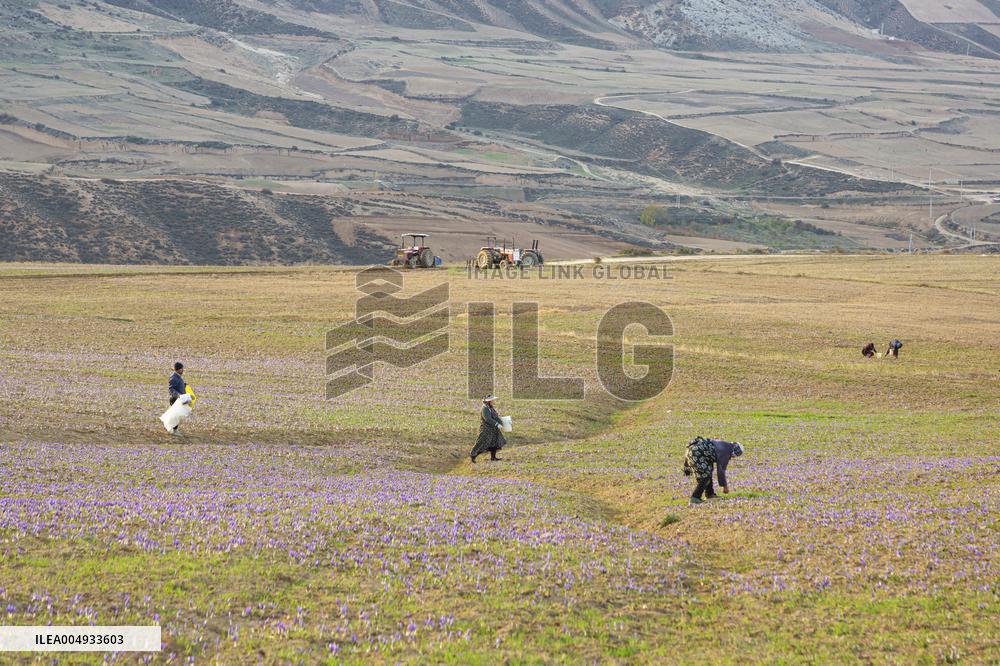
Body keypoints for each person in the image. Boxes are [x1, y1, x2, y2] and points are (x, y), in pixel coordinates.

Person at [683, 437, 744, 505]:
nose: (733, 458)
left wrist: (686, 466)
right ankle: (695, 498)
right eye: (734, 456)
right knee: (705, 477)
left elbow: (709, 454)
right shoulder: (726, 452)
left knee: (708, 473)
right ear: (735, 452)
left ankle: (710, 495)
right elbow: (721, 470)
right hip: (696, 454)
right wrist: (725, 486)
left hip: (694, 452)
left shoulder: (726, 445)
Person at [471, 395, 506, 463]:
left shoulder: (490, 407)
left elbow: (495, 416)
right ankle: (473, 456)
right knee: (482, 443)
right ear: (489, 401)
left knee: (495, 442)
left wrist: (502, 422)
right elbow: (488, 419)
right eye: (492, 400)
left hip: (493, 429)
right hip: (486, 429)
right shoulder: (485, 408)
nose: (493, 401)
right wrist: (497, 424)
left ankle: (493, 457)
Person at [168, 362, 186, 435]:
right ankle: (174, 431)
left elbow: (177, 386)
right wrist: (178, 395)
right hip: (175, 399)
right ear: (178, 369)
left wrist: (184, 385)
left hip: (179, 399)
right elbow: (171, 389)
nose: (183, 370)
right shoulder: (174, 377)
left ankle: (173, 429)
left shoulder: (178, 376)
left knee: (176, 415)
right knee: (176, 415)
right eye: (182, 369)